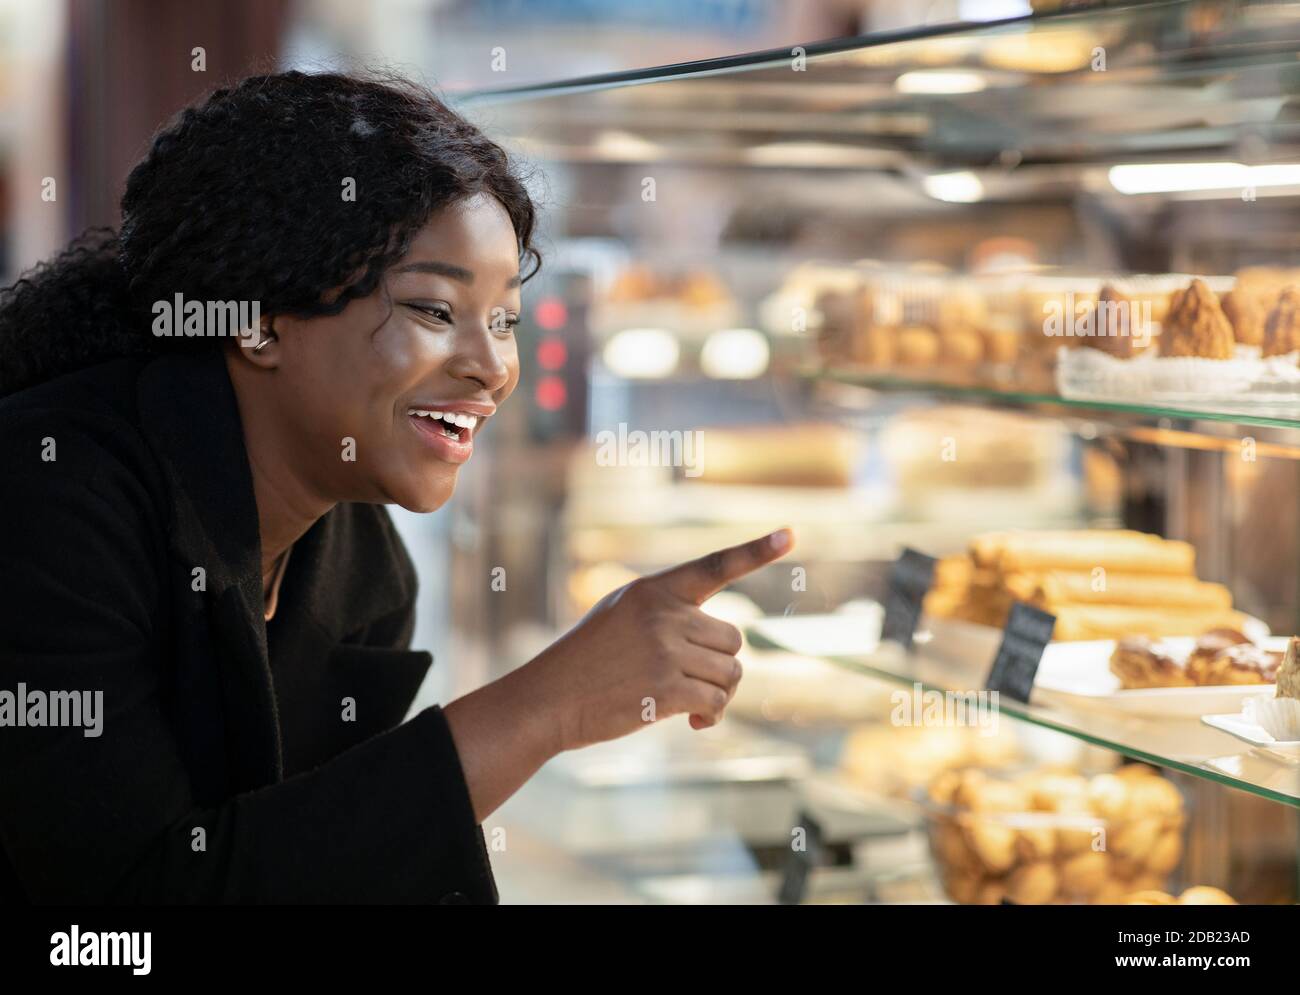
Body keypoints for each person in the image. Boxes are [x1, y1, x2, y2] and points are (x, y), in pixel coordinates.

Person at [0, 70, 791, 904]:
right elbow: (127, 914)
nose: (490, 368)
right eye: (436, 310)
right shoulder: (48, 492)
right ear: (257, 319)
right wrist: (546, 705)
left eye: (506, 321)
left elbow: (333, 870)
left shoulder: (361, 561)